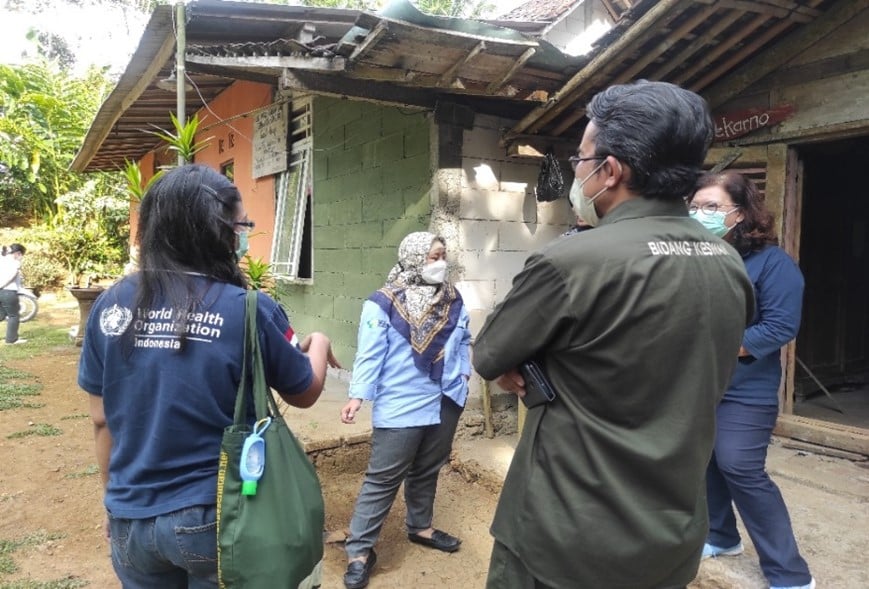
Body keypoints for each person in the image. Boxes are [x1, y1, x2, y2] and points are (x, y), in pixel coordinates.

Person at [472, 80, 756, 589]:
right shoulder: (728, 263)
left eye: (581, 159)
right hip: (669, 536)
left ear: (611, 170)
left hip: (564, 538)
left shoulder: (573, 261)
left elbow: (490, 352)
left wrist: (521, 358)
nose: (578, 172)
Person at [77, 164, 339, 588]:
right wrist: (321, 342)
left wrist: (116, 503)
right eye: (240, 225)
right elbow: (305, 390)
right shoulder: (249, 308)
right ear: (213, 232)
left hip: (131, 518)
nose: (242, 235)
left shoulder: (111, 306)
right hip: (217, 516)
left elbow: (101, 419)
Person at [690, 171, 814, 589]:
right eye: (694, 206)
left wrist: (717, 345)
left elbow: (780, 327)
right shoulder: (701, 256)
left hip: (746, 388)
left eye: (711, 207)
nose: (698, 214)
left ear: (740, 213)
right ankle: (721, 537)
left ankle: (789, 572)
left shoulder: (773, 263)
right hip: (702, 382)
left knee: (740, 466)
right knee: (707, 460)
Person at [340, 231, 471, 589]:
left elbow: (464, 341)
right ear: (413, 258)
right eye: (433, 257)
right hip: (402, 401)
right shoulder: (382, 302)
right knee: (382, 479)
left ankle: (421, 527)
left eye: (443, 255)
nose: (440, 262)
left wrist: (463, 375)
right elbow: (369, 354)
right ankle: (359, 551)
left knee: (427, 468)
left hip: (445, 399)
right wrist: (358, 396)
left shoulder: (453, 299)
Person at [0, 243, 27, 344]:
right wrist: (2, 285)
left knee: (1, 315)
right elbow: (11, 276)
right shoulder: (15, 262)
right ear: (18, 253)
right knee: (14, 316)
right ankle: (11, 339)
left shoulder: (2, 259)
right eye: (22, 255)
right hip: (8, 292)